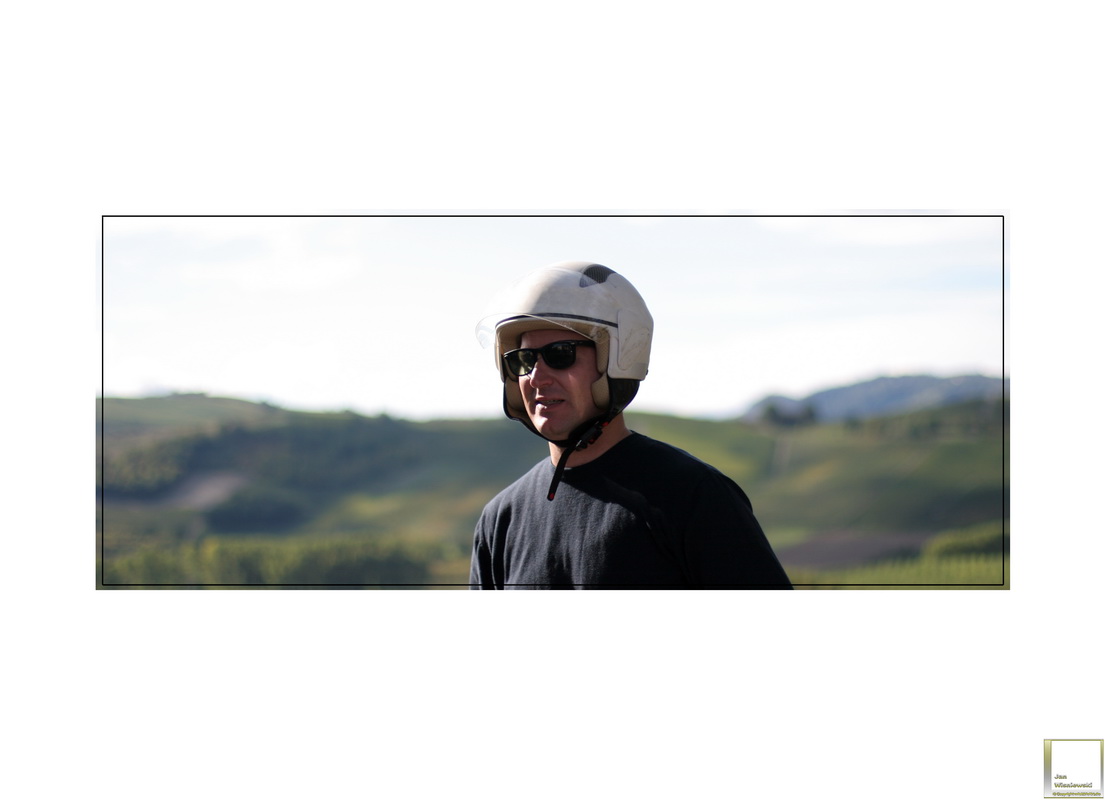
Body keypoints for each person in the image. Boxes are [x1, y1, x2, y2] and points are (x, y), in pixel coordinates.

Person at [470, 261, 792, 589]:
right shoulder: (500, 519)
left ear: (617, 360)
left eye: (560, 354)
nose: (537, 377)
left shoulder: (694, 497)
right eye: (523, 360)